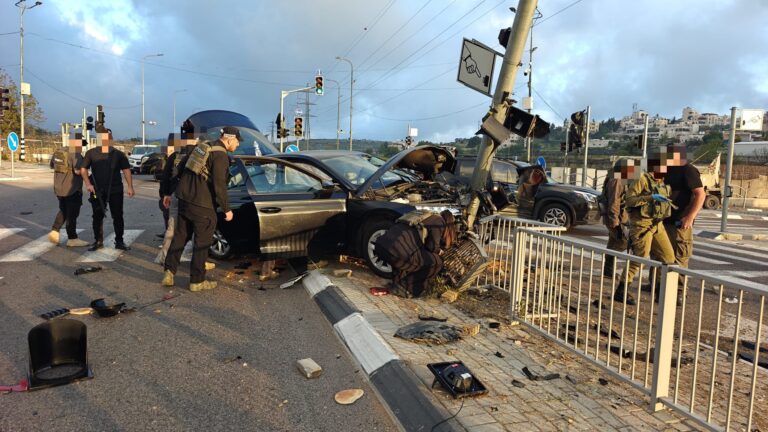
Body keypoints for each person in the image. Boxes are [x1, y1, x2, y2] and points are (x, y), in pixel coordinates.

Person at [162, 127, 240, 292]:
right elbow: (219, 185)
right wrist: (227, 209)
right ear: (229, 139)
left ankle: (169, 272)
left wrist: (171, 191)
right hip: (203, 204)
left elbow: (180, 168)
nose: (238, 145)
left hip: (184, 198)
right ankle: (197, 281)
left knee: (180, 237)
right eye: (238, 142)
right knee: (202, 243)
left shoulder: (203, 146)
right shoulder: (220, 155)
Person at [616, 150, 676, 305]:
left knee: (668, 258)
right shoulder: (641, 178)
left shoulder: (661, 181)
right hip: (642, 224)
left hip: (657, 224)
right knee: (639, 259)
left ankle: (660, 292)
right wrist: (650, 198)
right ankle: (622, 290)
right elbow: (629, 200)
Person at [373, 210, 458, 298]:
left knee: (410, 252)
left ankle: (397, 283)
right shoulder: (439, 222)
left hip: (381, 247)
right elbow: (432, 247)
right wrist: (439, 251)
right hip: (397, 253)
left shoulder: (424, 216)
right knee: (437, 262)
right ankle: (406, 289)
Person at [80, 131, 134, 251]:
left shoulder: (118, 154)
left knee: (118, 216)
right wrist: (88, 184)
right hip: (97, 190)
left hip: (116, 190)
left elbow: (126, 170)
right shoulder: (91, 153)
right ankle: (98, 241)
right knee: (97, 216)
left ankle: (119, 241)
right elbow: (83, 169)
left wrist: (130, 186)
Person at [663, 144, 705, 271]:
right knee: (661, 255)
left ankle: (678, 288)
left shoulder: (688, 170)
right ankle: (658, 285)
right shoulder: (666, 169)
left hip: (680, 221)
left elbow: (701, 194)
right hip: (664, 219)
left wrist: (690, 217)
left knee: (679, 256)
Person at [48, 138, 89, 247]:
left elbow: (52, 166)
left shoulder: (58, 151)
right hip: (72, 189)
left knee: (64, 210)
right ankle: (72, 238)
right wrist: (86, 173)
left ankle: (54, 231)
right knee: (72, 214)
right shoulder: (75, 154)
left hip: (59, 188)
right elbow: (77, 171)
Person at [600, 159, 634, 276]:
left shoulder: (614, 177)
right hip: (616, 218)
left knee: (613, 241)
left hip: (616, 217)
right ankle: (609, 268)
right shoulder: (617, 180)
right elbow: (614, 201)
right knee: (623, 242)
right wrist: (614, 219)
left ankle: (608, 270)